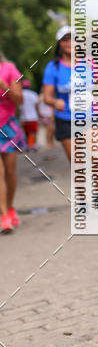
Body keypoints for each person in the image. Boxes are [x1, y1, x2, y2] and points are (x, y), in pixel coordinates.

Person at [0, 50, 25, 233]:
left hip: (8, 126)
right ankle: (3, 216)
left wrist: (2, 85)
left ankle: (9, 207)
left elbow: (19, 99)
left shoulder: (9, 69)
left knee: (10, 171)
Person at [42, 26, 74, 161]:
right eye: (65, 39)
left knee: (96, 157)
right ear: (59, 43)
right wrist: (55, 102)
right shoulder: (52, 67)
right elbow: (46, 97)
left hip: (89, 116)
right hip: (65, 118)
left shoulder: (89, 64)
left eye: (73, 38)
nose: (69, 42)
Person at [20, 80, 40, 150]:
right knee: (33, 132)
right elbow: (37, 105)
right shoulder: (33, 94)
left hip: (23, 117)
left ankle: (28, 144)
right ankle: (33, 144)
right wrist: (39, 113)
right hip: (33, 117)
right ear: (29, 86)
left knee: (26, 132)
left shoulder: (20, 94)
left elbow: (18, 107)